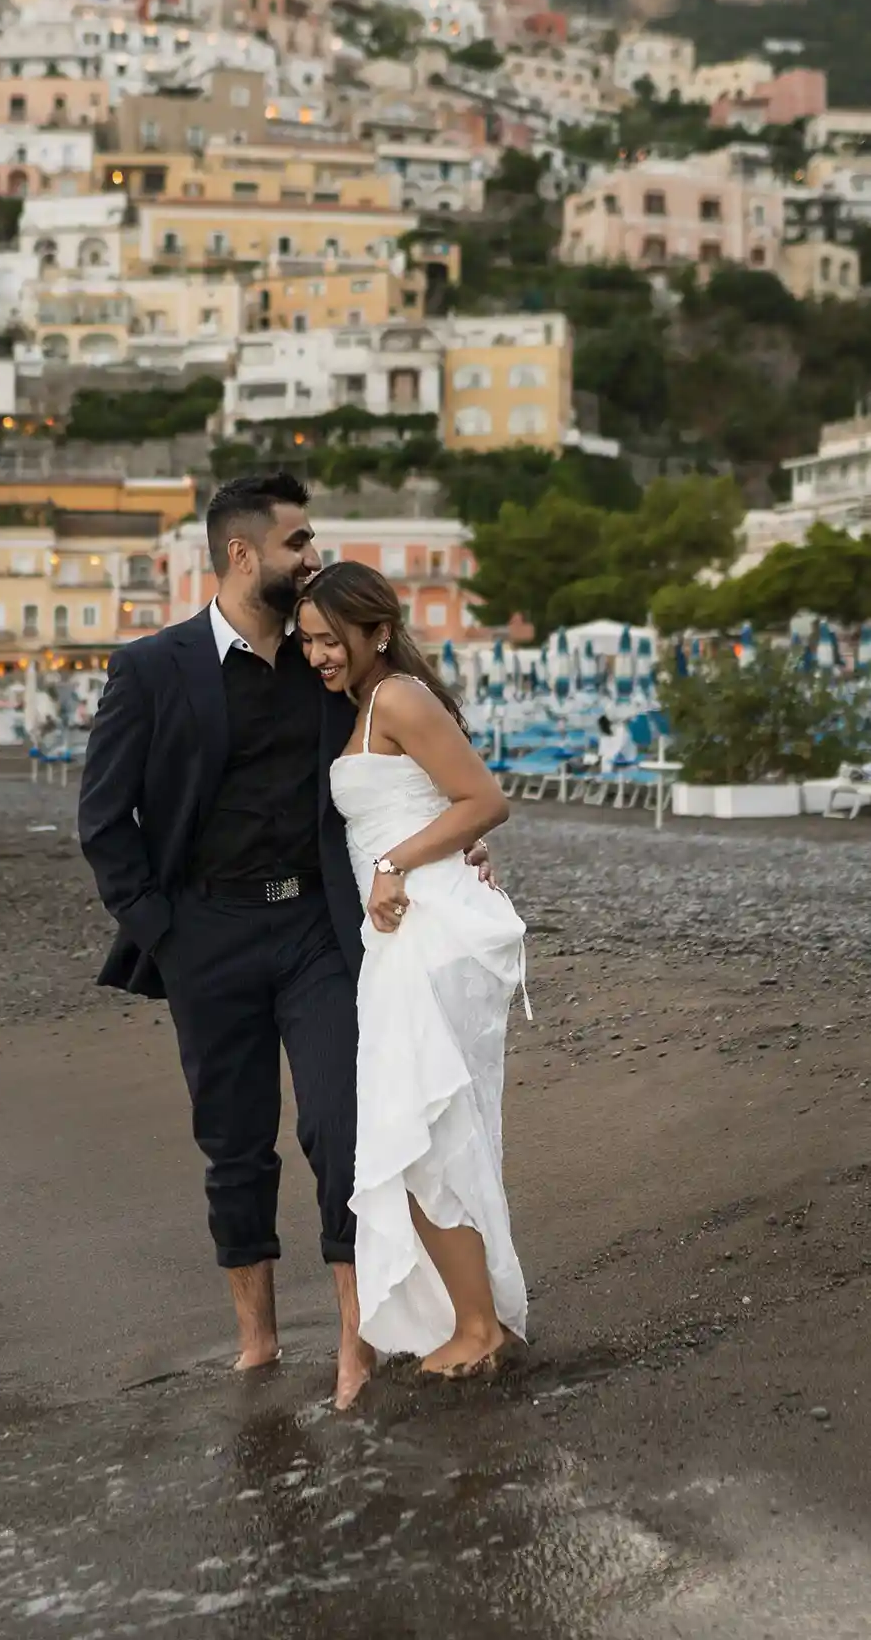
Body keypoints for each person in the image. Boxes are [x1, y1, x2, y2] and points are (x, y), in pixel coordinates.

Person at [79, 472, 493, 1408]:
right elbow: (104, 819)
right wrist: (164, 932)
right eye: (298, 541)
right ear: (242, 553)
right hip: (207, 934)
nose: (314, 555)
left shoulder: (324, 662)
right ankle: (257, 1341)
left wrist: (456, 846)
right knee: (234, 1143)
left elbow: (412, 761)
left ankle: (355, 1340)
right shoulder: (151, 669)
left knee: (342, 1127)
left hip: (318, 928)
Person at [297, 563, 527, 1380]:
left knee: (425, 1132)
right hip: (401, 933)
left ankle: (477, 1327)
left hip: (428, 932)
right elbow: (445, 808)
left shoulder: (396, 697)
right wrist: (431, 848)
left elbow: (484, 800)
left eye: (330, 640)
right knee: (425, 1131)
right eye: (308, 642)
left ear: (379, 632)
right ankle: (472, 1318)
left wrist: (396, 862)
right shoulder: (366, 704)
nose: (317, 656)